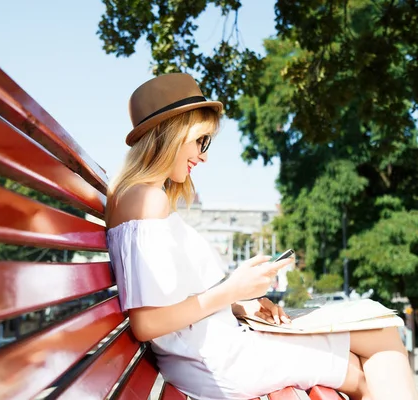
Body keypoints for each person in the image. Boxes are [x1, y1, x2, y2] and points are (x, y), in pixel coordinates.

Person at [105, 73, 418, 400]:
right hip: (219, 362)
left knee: (373, 345)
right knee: (375, 350)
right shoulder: (146, 200)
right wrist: (232, 290)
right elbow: (147, 323)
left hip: (213, 353)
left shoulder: (136, 198)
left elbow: (170, 302)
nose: (204, 155)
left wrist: (242, 305)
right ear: (173, 133)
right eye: (201, 140)